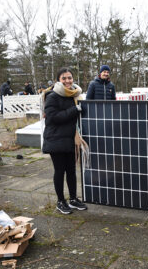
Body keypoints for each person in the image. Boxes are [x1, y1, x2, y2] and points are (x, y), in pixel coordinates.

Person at [42, 67, 88, 214]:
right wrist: (74, 110)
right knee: (60, 171)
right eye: (64, 78)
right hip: (55, 139)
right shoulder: (52, 96)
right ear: (58, 80)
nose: (68, 81)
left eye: (70, 78)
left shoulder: (74, 95)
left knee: (71, 171)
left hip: (70, 139)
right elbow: (52, 117)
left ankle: (73, 199)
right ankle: (60, 201)